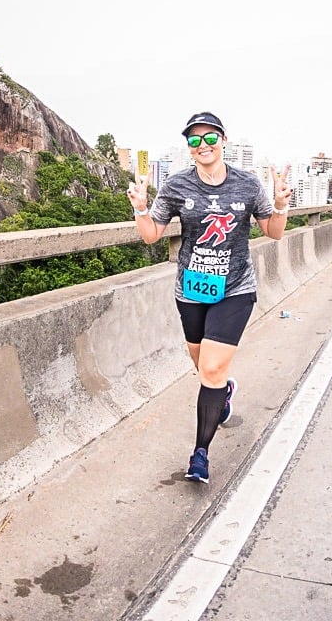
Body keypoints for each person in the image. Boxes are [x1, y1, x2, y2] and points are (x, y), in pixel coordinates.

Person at [127, 111, 293, 484]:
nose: (203, 145)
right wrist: (140, 208)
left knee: (213, 369)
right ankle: (224, 393)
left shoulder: (247, 184)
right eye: (195, 140)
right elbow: (153, 234)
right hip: (192, 288)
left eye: (209, 137)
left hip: (235, 288)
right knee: (204, 368)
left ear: (223, 140)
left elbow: (274, 232)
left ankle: (200, 453)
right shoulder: (176, 185)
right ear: (189, 147)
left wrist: (280, 205)